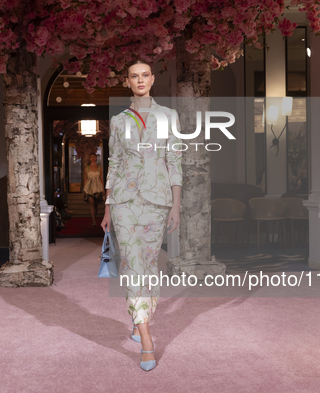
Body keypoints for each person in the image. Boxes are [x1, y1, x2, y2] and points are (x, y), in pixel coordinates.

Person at [101, 60, 182, 371]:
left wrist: (175, 204)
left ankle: (139, 318)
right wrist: (108, 205)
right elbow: (114, 163)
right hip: (124, 201)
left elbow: (174, 161)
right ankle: (146, 337)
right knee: (133, 264)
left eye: (144, 75)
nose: (140, 80)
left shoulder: (168, 116)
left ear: (151, 79)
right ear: (127, 81)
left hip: (158, 201)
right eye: (133, 76)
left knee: (148, 265)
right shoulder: (119, 121)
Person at [83, 153, 104, 226]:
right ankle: (93, 221)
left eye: (94, 157)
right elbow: (85, 179)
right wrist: (84, 189)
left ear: (96, 158)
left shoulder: (99, 168)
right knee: (91, 201)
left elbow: (101, 179)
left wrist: (103, 189)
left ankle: (94, 217)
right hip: (89, 188)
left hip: (97, 187)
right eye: (91, 157)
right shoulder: (87, 168)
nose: (92, 158)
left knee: (96, 204)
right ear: (89, 158)